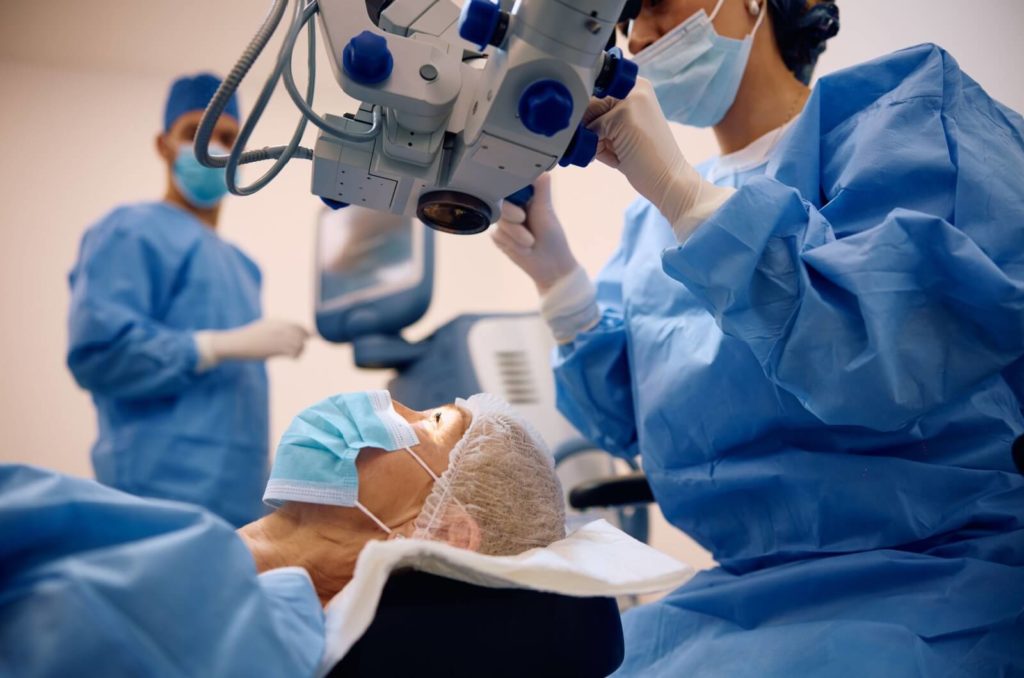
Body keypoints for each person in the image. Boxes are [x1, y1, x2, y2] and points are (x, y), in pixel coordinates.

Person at [493, 0, 1024, 675]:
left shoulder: (911, 118)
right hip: (742, 598)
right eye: (626, 23)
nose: (643, 37)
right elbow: (633, 424)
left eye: (659, 6)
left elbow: (883, 354)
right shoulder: (651, 226)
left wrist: (687, 201)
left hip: (941, 582)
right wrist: (559, 280)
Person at [0, 391, 566, 677]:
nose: (387, 400)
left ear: (440, 531)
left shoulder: (261, 635)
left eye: (432, 421)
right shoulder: (196, 546)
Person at [66, 73, 309, 527]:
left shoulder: (243, 266)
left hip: (239, 502)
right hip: (154, 497)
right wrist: (213, 347)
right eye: (195, 132)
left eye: (227, 136)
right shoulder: (130, 230)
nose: (213, 147)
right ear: (164, 145)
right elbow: (100, 355)